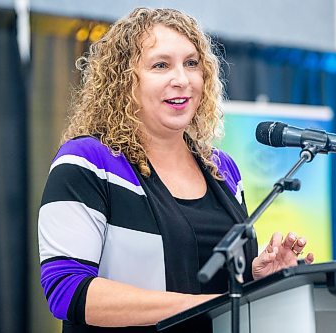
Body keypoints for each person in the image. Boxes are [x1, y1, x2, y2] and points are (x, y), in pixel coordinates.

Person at [38, 7, 314, 333]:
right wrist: (202, 307)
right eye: (161, 65)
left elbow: (220, 283)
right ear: (124, 79)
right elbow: (67, 291)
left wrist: (257, 279)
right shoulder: (88, 162)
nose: (182, 80)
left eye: (192, 64)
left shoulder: (223, 170)